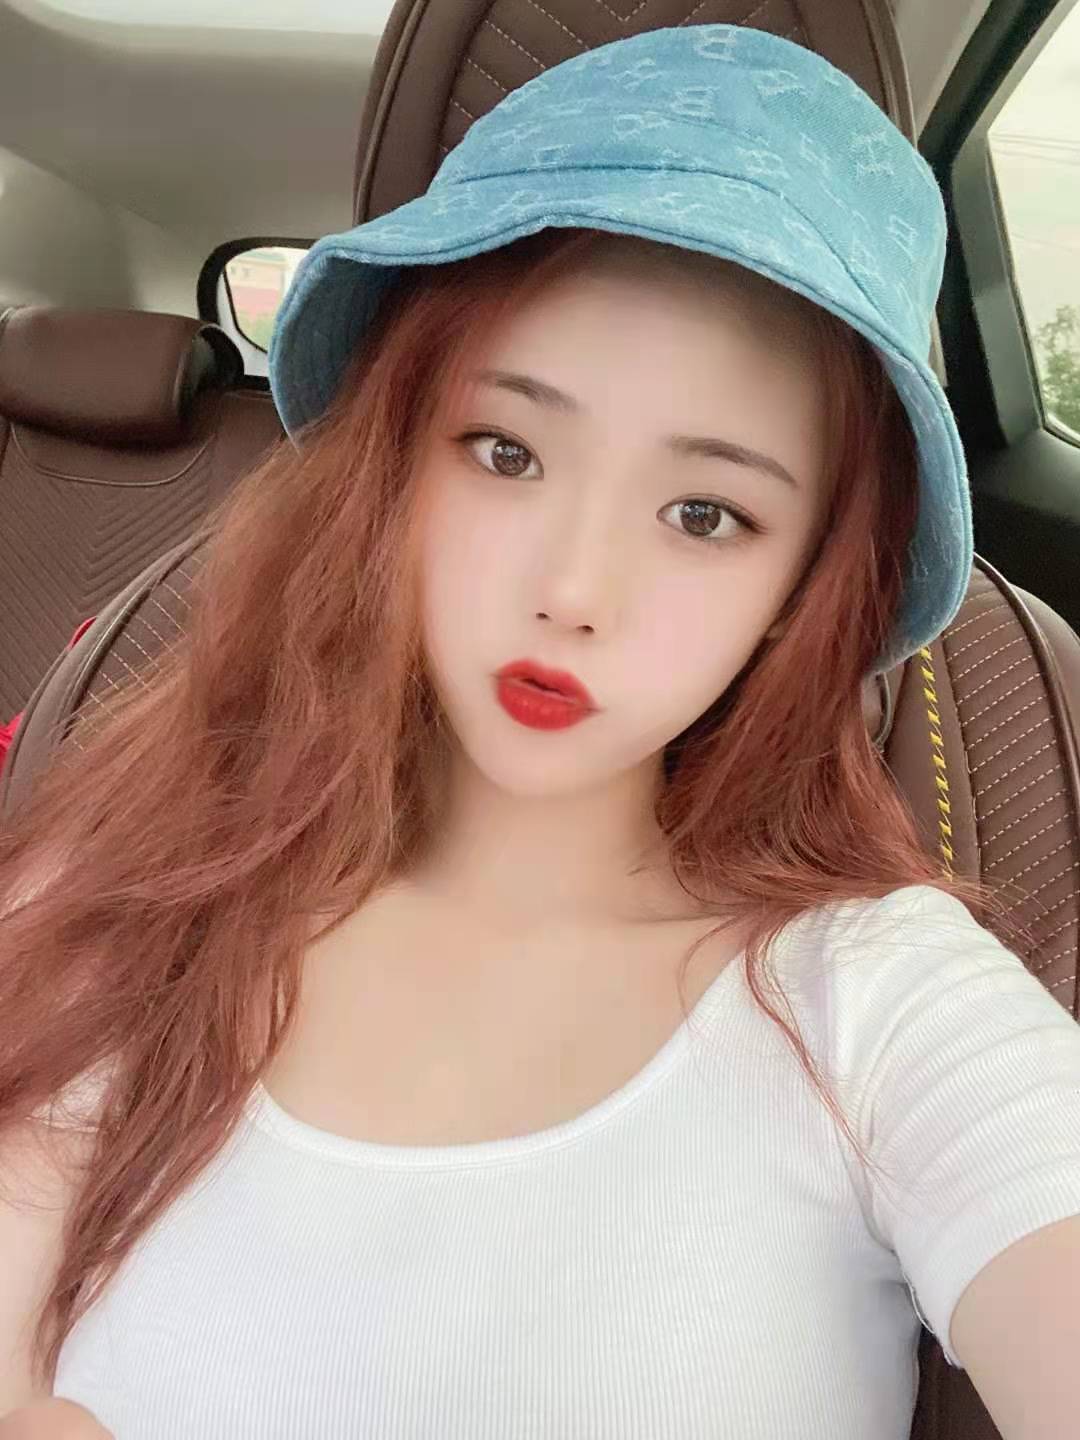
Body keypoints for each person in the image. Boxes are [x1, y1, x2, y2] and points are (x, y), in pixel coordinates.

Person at [0, 23, 1077, 1440]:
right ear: (395, 466)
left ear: (800, 591)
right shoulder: (134, 894)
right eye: (505, 451)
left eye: (706, 514)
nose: (575, 590)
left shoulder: (876, 999)